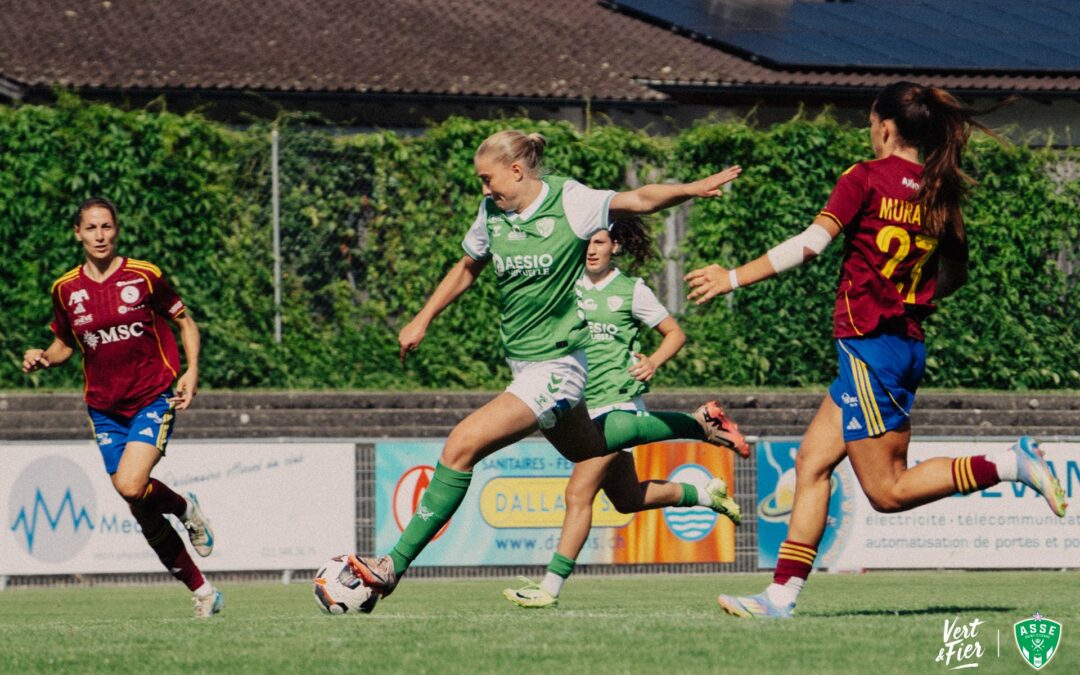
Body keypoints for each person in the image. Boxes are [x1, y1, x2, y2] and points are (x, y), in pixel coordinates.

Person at [685, 81, 1068, 619]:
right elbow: (954, 274)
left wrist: (732, 276)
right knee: (812, 462)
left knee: (887, 492)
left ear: (885, 127)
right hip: (902, 344)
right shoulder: (940, 190)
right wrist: (908, 295)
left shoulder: (865, 178)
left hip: (870, 348)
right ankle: (779, 598)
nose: (870, 132)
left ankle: (1009, 462)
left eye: (870, 124)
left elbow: (811, 244)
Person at [346, 130, 743, 602]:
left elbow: (638, 198)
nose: (484, 189)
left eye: (487, 179)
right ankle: (699, 425)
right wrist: (423, 318)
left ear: (517, 170)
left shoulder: (570, 201)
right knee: (589, 446)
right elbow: (468, 266)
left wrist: (689, 188)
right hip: (525, 366)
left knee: (460, 447)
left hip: (558, 366)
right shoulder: (492, 213)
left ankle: (392, 565)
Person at [504, 218, 748, 608]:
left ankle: (549, 588)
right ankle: (705, 493)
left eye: (600, 242)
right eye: (587, 242)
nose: (592, 249)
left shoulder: (632, 290)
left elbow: (675, 334)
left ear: (615, 246)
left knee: (578, 492)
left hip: (618, 402)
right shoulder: (567, 286)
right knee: (628, 498)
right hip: (583, 405)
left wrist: (652, 361)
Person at [22, 197, 221, 619]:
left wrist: (192, 371)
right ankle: (203, 591)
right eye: (91, 228)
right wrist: (42, 354)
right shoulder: (66, 289)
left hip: (152, 395)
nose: (99, 236)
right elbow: (64, 346)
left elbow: (185, 321)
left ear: (116, 230)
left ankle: (186, 509)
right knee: (141, 509)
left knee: (131, 485)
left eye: (106, 227)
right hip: (104, 407)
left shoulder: (144, 276)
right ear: (77, 233)